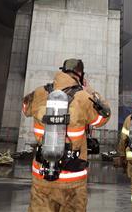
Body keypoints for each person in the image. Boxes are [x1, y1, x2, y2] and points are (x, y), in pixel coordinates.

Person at [22, 58, 110, 212]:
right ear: (80, 74)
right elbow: (103, 118)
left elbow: (25, 108)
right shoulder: (84, 97)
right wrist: (90, 91)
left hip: (42, 175)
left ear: (63, 71)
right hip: (73, 178)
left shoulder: (40, 92)